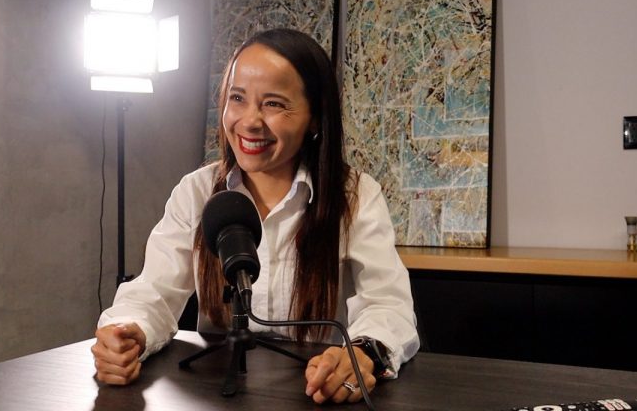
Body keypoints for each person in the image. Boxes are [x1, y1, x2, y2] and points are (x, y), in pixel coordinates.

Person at [91, 28, 420, 404]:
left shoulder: (355, 196)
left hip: (315, 393)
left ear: (315, 118)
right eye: (237, 98)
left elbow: (388, 304)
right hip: (221, 393)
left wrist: (361, 353)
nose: (249, 121)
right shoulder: (196, 192)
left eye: (274, 104)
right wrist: (128, 333)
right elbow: (152, 293)